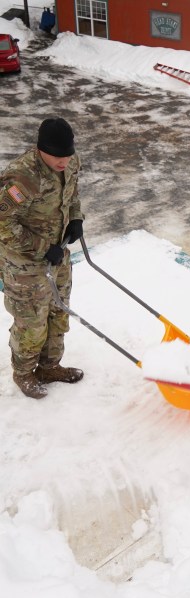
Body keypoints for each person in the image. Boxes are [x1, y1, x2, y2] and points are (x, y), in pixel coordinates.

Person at [0, 117, 85, 399]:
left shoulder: (70, 162)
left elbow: (71, 192)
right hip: (24, 263)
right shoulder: (22, 177)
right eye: (58, 156)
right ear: (41, 150)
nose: (64, 162)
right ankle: (24, 374)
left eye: (68, 155)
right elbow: (2, 222)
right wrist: (40, 247)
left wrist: (75, 218)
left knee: (58, 312)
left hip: (58, 253)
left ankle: (50, 367)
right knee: (31, 321)